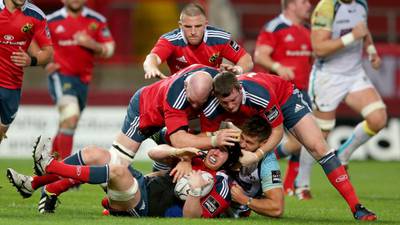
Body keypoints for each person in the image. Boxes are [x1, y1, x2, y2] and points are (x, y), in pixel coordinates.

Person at [9, 64, 236, 213]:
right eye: (192, 101)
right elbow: (177, 141)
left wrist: (188, 156)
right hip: (145, 114)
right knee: (111, 166)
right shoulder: (176, 96)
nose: (194, 106)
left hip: (172, 131)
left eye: (200, 102)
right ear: (186, 86)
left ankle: (39, 184)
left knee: (109, 168)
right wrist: (197, 150)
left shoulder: (216, 85)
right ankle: (41, 184)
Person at [201, 71, 377, 221]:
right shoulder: (214, 105)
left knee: (318, 148)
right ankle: (239, 199)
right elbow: (206, 139)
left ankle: (357, 207)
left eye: (233, 100)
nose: (230, 106)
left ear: (239, 88)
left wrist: (257, 155)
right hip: (250, 113)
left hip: (284, 99)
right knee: (232, 148)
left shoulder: (258, 94)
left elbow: (277, 132)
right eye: (225, 103)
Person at [7, 135, 241, 218]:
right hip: (142, 183)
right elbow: (153, 151)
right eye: (216, 146)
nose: (215, 152)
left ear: (229, 160)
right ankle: (33, 183)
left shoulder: (222, 184)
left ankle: (50, 165)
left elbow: (193, 218)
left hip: (143, 205)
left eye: (223, 151)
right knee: (93, 153)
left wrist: (195, 190)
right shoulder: (197, 155)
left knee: (117, 170)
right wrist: (181, 154)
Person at [296, 0, 387, 200]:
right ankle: (301, 183)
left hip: (354, 74)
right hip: (328, 76)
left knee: (378, 118)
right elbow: (319, 48)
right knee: (319, 133)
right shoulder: (327, 7)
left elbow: (363, 29)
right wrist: (351, 37)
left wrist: (371, 51)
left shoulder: (361, 4)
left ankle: (343, 155)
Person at [253, 0, 313, 197]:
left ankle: (292, 186)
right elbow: (260, 55)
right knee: (299, 142)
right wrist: (278, 67)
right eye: (304, 1)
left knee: (303, 142)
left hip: (302, 91)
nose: (309, 5)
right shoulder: (274, 27)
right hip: (277, 94)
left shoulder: (307, 29)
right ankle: (261, 161)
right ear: (291, 4)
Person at [43, 0, 115, 160]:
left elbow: (109, 48)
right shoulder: (51, 20)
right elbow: (36, 43)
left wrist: (92, 44)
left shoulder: (96, 20)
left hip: (83, 79)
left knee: (67, 123)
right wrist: (44, 61)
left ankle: (49, 166)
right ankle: (63, 170)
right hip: (60, 76)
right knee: (70, 117)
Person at [143, 3, 253, 79]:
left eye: (198, 26)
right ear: (180, 25)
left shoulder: (220, 38)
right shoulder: (170, 40)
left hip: (212, 90)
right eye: (188, 26)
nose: (193, 32)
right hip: (180, 89)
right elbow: (152, 57)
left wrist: (238, 69)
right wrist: (151, 67)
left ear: (206, 24)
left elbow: (246, 59)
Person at [0, 0, 53, 143]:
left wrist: (31, 61)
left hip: (12, 85)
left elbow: (48, 53)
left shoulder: (36, 16)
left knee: (2, 130)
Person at [226, 116, 284, 218]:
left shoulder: (269, 164)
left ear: (264, 143)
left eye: (249, 142)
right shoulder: (233, 142)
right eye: (242, 138)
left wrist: (244, 199)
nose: (242, 145)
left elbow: (277, 209)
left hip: (236, 206)